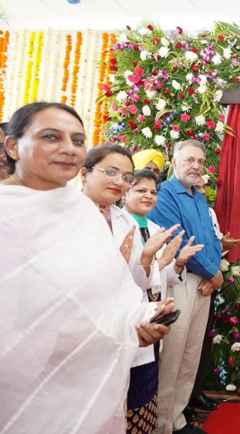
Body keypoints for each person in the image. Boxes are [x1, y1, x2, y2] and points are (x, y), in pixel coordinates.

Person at [0, 102, 173, 434]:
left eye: (77, 140)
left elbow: (110, 296)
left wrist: (138, 322)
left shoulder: (81, 213)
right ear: (12, 145)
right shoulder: (6, 210)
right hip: (20, 384)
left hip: (84, 379)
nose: (68, 148)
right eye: (52, 137)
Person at [148, 140, 223, 434]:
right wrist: (213, 273)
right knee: (172, 356)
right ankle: (160, 425)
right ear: (174, 161)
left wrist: (214, 272)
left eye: (200, 161)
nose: (196, 166)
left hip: (203, 282)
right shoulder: (164, 194)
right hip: (178, 280)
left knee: (190, 355)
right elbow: (178, 241)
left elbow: (212, 239)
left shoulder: (198, 197)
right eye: (190, 160)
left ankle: (177, 420)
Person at [122, 169, 205, 434]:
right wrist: (152, 262)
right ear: (125, 191)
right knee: (128, 391)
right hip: (128, 317)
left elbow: (163, 277)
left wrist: (177, 263)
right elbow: (121, 278)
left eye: (152, 192)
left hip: (153, 313)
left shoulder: (155, 228)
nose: (148, 196)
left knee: (148, 384)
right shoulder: (119, 227)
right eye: (140, 190)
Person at [184, 176, 240, 421]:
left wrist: (222, 245)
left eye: (202, 187)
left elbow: (213, 246)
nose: (200, 192)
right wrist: (211, 274)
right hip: (189, 280)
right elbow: (188, 249)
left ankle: (194, 392)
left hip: (209, 281)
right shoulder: (180, 211)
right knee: (182, 347)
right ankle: (181, 404)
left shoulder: (209, 213)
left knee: (200, 343)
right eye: (195, 188)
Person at [81, 143, 178, 292]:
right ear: (84, 174)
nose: (120, 182)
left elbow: (139, 285)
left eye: (126, 177)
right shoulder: (64, 214)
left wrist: (146, 257)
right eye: (111, 172)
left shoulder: (127, 222)